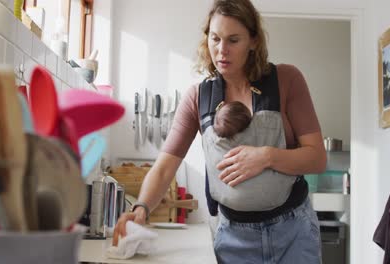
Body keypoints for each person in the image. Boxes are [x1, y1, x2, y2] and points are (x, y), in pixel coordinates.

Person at [113, 0, 327, 263]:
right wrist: (141, 208)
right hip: (235, 240)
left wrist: (267, 156)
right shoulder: (198, 98)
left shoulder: (287, 80)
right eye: (215, 39)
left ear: (254, 41)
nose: (221, 50)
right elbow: (164, 168)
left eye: (233, 40)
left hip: (293, 232)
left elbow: (317, 158)